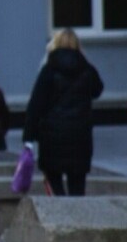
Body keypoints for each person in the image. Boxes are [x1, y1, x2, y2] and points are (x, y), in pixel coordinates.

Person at [22, 28, 104, 196]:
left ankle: (59, 218)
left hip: (52, 138)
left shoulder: (48, 71)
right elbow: (98, 89)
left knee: (54, 184)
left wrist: (28, 138)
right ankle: (77, 220)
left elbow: (35, 105)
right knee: (77, 187)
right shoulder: (86, 70)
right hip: (80, 137)